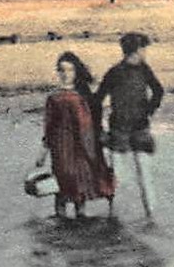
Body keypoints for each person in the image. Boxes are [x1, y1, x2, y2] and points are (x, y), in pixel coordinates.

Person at [34, 52, 116, 219]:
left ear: (76, 72)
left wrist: (99, 147)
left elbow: (92, 124)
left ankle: (79, 222)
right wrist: (43, 153)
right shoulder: (53, 98)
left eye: (70, 70)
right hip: (61, 149)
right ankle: (62, 227)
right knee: (61, 188)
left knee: (79, 189)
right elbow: (49, 127)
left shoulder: (84, 95)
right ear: (58, 72)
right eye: (62, 70)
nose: (65, 74)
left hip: (81, 147)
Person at [96, 32, 163, 221]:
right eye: (144, 49)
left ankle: (117, 218)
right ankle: (148, 218)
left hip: (127, 127)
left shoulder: (122, 71)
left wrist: (148, 111)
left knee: (127, 176)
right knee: (134, 176)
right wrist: (148, 111)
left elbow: (97, 100)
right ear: (138, 50)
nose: (145, 52)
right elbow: (158, 91)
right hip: (128, 128)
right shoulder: (133, 70)